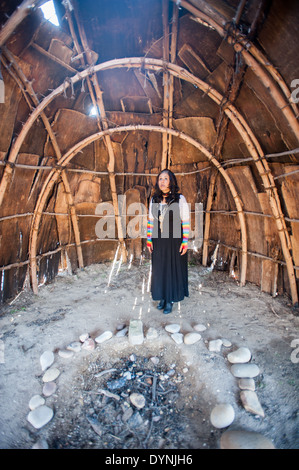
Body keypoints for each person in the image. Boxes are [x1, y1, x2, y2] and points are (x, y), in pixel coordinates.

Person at [146, 169, 190, 314]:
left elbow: (185, 220)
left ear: (171, 180)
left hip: (175, 239)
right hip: (158, 239)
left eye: (165, 178)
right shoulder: (155, 199)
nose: (162, 182)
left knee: (171, 268)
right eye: (160, 179)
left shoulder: (179, 199)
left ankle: (170, 299)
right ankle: (162, 297)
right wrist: (149, 240)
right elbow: (151, 221)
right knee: (160, 269)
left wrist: (185, 241)